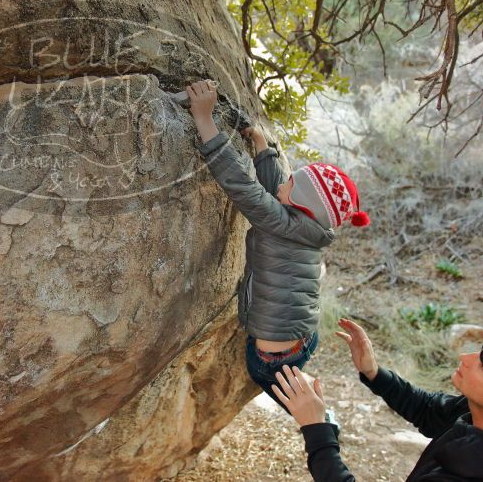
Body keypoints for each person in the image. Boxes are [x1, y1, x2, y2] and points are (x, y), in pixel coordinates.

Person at [185, 79, 370, 413]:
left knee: (301, 407)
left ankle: (320, 420)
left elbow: (243, 187)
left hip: (271, 361)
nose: (284, 181)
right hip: (304, 338)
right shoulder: (307, 226)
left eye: (292, 183)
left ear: (302, 201)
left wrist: (204, 119)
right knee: (297, 382)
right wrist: (261, 146)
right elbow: (275, 194)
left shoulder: (280, 224)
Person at [272, 317, 483, 480]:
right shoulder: (472, 412)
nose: (466, 357)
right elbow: (428, 410)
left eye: (482, 364)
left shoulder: (467, 471)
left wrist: (317, 429)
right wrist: (374, 373)